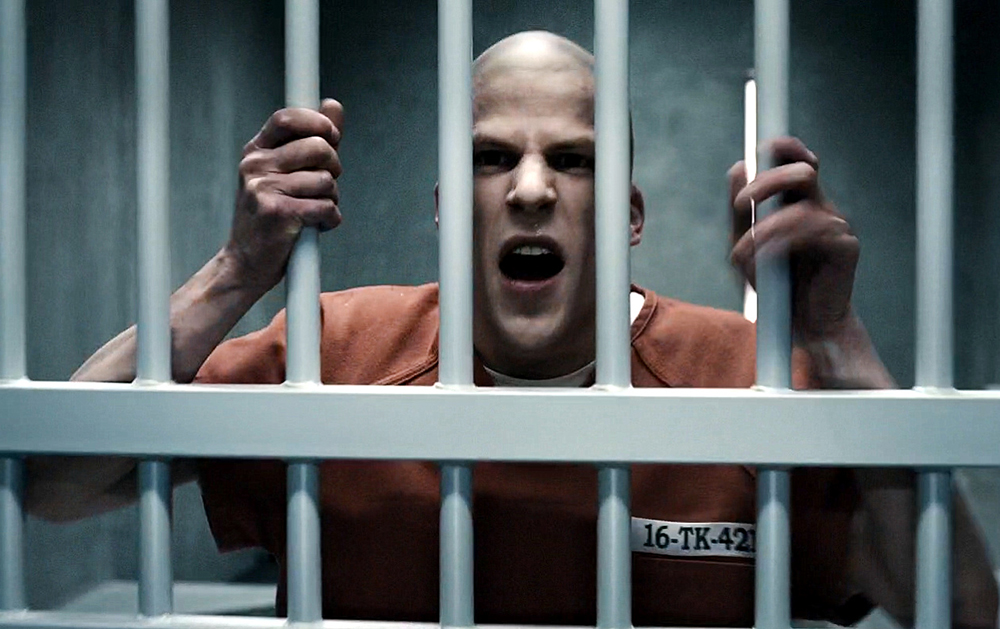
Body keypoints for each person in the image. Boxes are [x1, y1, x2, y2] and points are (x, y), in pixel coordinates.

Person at [24, 31, 997, 627]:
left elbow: (961, 610)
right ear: (447, 206)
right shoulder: (333, 349)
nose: (530, 190)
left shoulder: (749, 376)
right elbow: (50, 481)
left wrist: (836, 340)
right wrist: (236, 270)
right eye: (492, 158)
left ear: (628, 217)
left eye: (571, 159)